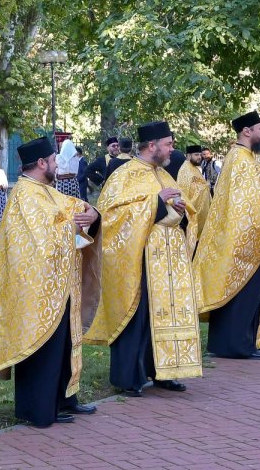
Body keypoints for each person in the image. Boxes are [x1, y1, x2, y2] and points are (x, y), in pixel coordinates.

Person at [0, 137, 101, 426]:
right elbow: (39, 242)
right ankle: (38, 409)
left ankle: (63, 399)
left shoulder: (47, 192)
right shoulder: (24, 196)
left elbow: (75, 216)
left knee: (63, 344)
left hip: (61, 284)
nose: (58, 165)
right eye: (55, 160)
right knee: (43, 347)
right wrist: (73, 226)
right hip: (36, 288)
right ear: (42, 163)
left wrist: (93, 216)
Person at [85, 121, 203, 396]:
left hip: (168, 261)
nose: (173, 150)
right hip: (139, 259)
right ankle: (129, 377)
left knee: (164, 315)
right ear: (152, 146)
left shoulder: (164, 174)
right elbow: (111, 216)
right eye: (169, 144)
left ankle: (164, 370)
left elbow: (184, 209)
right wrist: (157, 202)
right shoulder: (124, 174)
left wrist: (182, 209)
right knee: (137, 316)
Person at [195, 111, 260, 360]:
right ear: (247, 131)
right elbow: (248, 202)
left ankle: (245, 342)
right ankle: (235, 345)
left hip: (250, 236)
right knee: (241, 291)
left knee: (248, 292)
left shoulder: (245, 157)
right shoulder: (240, 159)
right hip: (242, 237)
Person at [177, 144, 213, 249]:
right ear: (188, 156)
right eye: (196, 155)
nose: (199, 157)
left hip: (200, 213)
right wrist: (205, 187)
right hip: (191, 214)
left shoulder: (194, 168)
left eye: (200, 155)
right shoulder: (186, 170)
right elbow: (184, 193)